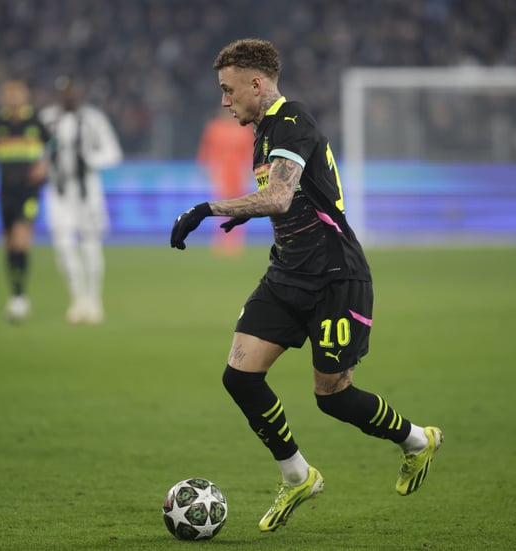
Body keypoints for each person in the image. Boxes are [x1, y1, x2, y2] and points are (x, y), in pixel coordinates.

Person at [170, 39, 443, 532]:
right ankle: (298, 475)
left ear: (257, 84)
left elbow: (278, 196)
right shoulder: (264, 133)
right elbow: (287, 199)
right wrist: (247, 213)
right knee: (239, 377)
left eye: (229, 90)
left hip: (336, 276)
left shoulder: (293, 119)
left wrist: (206, 209)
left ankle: (418, 441)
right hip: (287, 274)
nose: (224, 101)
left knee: (333, 397)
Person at [39, 76, 123, 324]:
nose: (68, 95)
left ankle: (94, 301)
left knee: (90, 244)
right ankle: (77, 300)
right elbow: (37, 149)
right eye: (64, 91)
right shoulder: (47, 118)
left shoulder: (92, 119)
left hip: (87, 189)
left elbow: (113, 152)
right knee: (63, 245)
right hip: (59, 190)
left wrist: (90, 158)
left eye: (72, 91)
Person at [0, 79, 51, 322]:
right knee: (9, 245)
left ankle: (20, 297)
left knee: (21, 240)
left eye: (18, 94)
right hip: (5, 191)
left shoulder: (35, 123)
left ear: (25, 96)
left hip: (29, 191)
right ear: (4, 97)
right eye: (9, 94)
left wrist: (44, 167)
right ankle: (16, 294)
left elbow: (53, 148)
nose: (13, 98)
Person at [197, 107, 254, 256]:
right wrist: (206, 167)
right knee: (221, 206)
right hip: (222, 171)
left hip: (237, 172)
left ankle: (235, 240)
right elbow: (207, 149)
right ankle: (221, 238)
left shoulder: (244, 128)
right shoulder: (215, 128)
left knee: (239, 206)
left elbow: (250, 151)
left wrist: (249, 170)